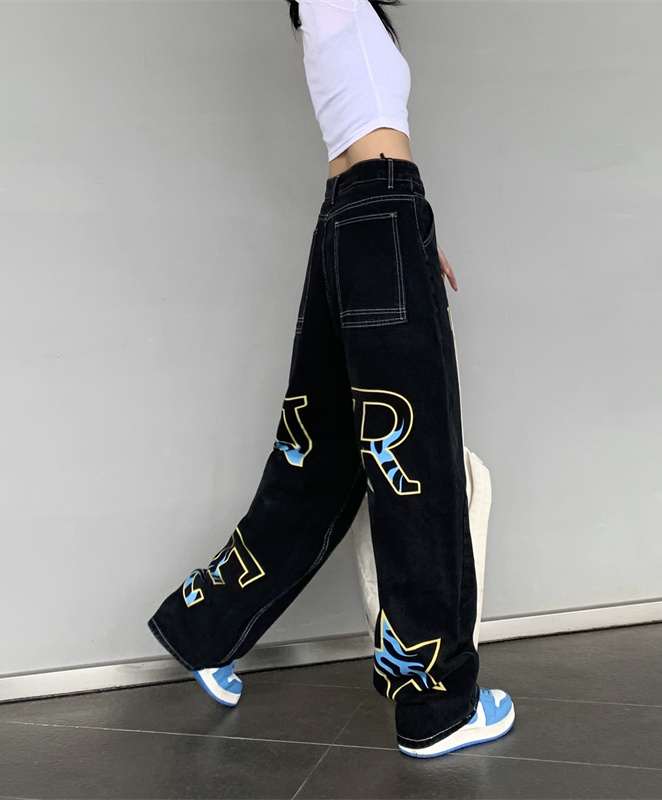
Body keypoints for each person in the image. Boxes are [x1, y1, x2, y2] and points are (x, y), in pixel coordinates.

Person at [147, 0, 515, 758]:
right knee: (418, 463)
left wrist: (415, 229)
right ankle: (437, 705)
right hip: (375, 213)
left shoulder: (344, 15)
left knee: (316, 458)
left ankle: (205, 625)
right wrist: (400, 222)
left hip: (356, 220)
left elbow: (364, 134)